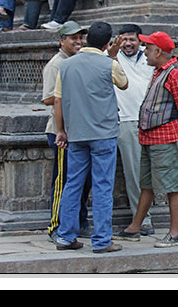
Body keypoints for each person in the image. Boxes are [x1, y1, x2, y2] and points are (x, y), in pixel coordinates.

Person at [52, 21, 129, 254]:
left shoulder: (66, 66)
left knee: (73, 184)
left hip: (76, 133)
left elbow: (58, 100)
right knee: (102, 186)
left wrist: (60, 130)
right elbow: (124, 84)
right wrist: (113, 57)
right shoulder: (108, 64)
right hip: (103, 133)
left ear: (86, 40)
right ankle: (102, 240)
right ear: (108, 43)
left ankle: (65, 236)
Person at [116, 31, 178, 248]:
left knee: (172, 185)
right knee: (147, 185)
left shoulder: (175, 74)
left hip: (167, 136)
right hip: (151, 136)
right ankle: (134, 227)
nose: (145, 52)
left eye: (149, 48)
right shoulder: (158, 72)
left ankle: (174, 233)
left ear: (159, 51)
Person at [42, 21, 91, 241]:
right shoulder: (56, 64)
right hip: (60, 130)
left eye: (81, 38)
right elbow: (48, 98)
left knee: (82, 181)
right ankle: (55, 225)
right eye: (74, 38)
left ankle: (79, 222)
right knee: (62, 181)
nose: (78, 42)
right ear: (62, 40)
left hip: (79, 128)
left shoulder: (78, 61)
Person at [106, 24, 155, 236]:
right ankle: (142, 219)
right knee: (133, 173)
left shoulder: (149, 57)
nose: (128, 43)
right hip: (124, 119)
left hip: (149, 120)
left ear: (140, 41)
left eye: (132, 40)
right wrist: (111, 55)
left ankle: (144, 218)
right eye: (124, 39)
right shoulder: (111, 57)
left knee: (146, 173)